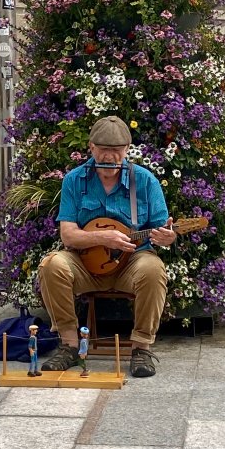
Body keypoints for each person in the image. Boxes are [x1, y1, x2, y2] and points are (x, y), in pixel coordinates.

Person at [39, 115, 176, 378]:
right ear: (91, 148)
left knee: (153, 269)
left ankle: (141, 349)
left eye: (117, 151)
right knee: (51, 264)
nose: (110, 157)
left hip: (131, 262)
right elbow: (68, 235)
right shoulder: (75, 180)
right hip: (84, 264)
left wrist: (168, 237)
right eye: (104, 150)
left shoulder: (145, 181)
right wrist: (103, 238)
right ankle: (69, 345)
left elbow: (163, 229)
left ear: (127, 150)